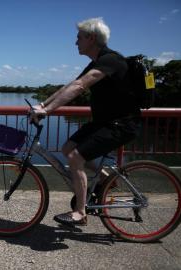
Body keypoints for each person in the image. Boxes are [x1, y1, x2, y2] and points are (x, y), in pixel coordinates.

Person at [33, 17, 141, 226]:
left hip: (122, 124)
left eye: (79, 38)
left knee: (75, 157)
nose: (76, 42)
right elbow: (71, 85)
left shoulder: (111, 60)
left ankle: (80, 212)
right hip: (104, 122)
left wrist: (48, 110)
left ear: (91, 38)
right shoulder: (97, 62)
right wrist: (44, 105)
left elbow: (81, 87)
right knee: (67, 148)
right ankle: (104, 178)